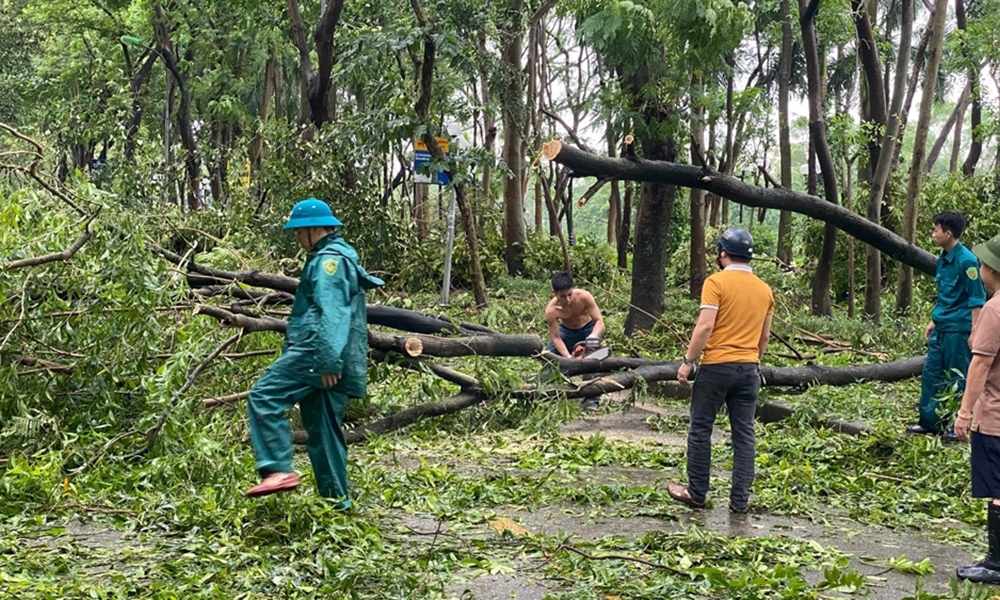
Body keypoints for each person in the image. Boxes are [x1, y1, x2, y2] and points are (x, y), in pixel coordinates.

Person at [243, 198, 384, 508]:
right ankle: (337, 506)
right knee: (324, 430)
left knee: (264, 397)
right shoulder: (340, 257)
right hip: (333, 355)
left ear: (312, 229)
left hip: (315, 351)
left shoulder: (328, 263)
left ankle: (277, 470)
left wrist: (327, 360)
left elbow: (332, 312)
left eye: (298, 232)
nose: (297, 238)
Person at [667, 227, 773, 513]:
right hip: (749, 369)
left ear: (723, 253)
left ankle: (696, 492)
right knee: (744, 434)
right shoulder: (765, 290)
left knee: (701, 428)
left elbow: (705, 326)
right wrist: (753, 361)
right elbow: (764, 337)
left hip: (715, 368)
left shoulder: (716, 283)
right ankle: (739, 501)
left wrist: (688, 361)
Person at [907, 211, 986, 441]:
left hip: (959, 331)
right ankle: (930, 422)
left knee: (957, 377)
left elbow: (976, 299)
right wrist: (934, 320)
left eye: (936, 230)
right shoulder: (943, 258)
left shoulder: (968, 262)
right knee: (931, 373)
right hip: (942, 327)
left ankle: (956, 424)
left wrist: (975, 332)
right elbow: (946, 294)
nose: (933, 234)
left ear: (948, 233)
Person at [952, 234, 1000, 584]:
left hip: (995, 416)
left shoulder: (994, 311)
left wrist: (964, 412)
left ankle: (996, 562)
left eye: (984, 264)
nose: (980, 268)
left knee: (998, 489)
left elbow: (980, 365)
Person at [543, 272, 606, 411]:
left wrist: (593, 336)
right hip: (566, 332)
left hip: (588, 330)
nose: (567, 299)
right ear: (554, 293)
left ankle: (591, 398)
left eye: (569, 294)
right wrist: (567, 357)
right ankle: (549, 394)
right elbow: (556, 337)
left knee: (593, 361)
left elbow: (600, 321)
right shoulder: (551, 311)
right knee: (547, 358)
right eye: (562, 296)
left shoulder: (584, 297)